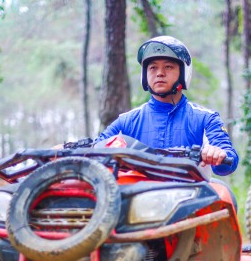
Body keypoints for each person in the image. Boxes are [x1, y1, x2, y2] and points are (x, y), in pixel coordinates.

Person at [96, 35, 239, 176]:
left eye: (168, 67)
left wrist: (218, 154)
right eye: (153, 68)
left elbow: (228, 161)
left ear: (183, 73)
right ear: (145, 75)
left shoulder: (206, 118)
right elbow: (96, 150)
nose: (160, 73)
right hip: (137, 196)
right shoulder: (126, 121)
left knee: (223, 194)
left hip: (190, 196)